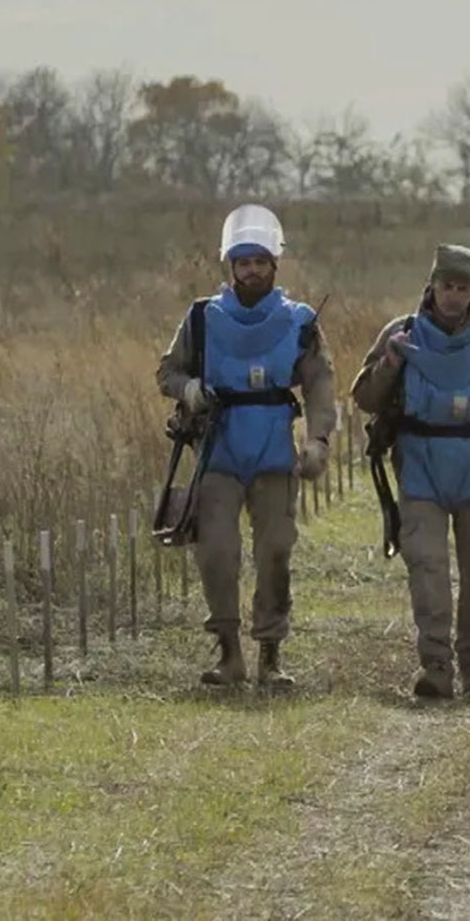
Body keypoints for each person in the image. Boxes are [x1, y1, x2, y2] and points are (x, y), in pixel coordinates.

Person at [350, 245, 470, 698]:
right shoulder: (401, 334)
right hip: (420, 463)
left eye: (462, 287)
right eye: (446, 286)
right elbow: (364, 397)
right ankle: (436, 664)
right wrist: (391, 364)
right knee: (427, 567)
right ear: (431, 286)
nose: (453, 296)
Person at [155, 204, 337, 689]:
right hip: (217, 452)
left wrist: (318, 440)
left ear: (274, 263)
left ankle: (270, 656)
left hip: (275, 454)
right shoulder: (201, 317)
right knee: (217, 553)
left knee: (276, 550)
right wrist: (190, 390)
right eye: (242, 261)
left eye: (259, 260)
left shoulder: (299, 321)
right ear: (229, 265)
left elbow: (319, 382)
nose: (251, 270)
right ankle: (229, 654)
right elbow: (168, 372)